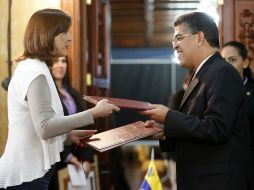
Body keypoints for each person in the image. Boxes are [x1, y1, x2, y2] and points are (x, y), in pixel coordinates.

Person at [0, 9, 120, 190]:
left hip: (29, 175)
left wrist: (68, 137)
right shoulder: (35, 72)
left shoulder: (34, 68)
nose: (70, 38)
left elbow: (35, 128)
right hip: (26, 177)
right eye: (64, 32)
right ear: (47, 35)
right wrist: (94, 113)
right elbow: (45, 128)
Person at [141, 12, 253, 190]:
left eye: (179, 38)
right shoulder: (203, 73)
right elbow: (197, 124)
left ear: (199, 37)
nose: (175, 46)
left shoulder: (222, 72)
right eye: (173, 41)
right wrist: (165, 132)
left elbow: (217, 128)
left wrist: (169, 117)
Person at [48, 56, 95, 190]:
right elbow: (52, 129)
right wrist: (69, 158)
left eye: (63, 61)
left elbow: (84, 126)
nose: (60, 65)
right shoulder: (48, 94)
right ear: (49, 66)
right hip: (60, 160)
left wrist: (86, 158)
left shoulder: (73, 93)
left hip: (79, 155)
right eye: (56, 61)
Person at [221, 41, 254, 160]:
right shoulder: (214, 92)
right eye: (223, 60)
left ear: (245, 63)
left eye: (232, 60)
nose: (226, 65)